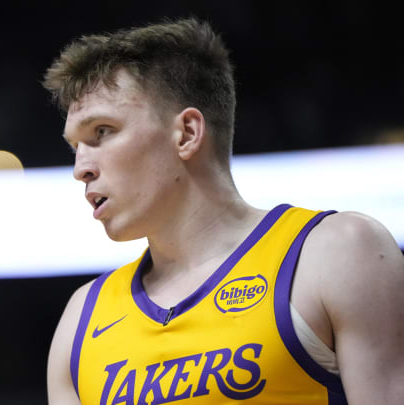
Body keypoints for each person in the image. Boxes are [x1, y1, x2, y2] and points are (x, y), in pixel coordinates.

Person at [42, 17, 404, 405]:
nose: (81, 168)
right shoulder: (80, 321)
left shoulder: (337, 252)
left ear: (187, 133)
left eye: (102, 132)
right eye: (75, 146)